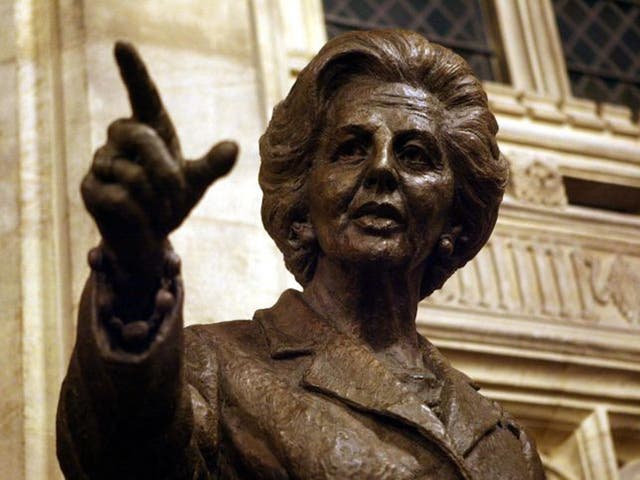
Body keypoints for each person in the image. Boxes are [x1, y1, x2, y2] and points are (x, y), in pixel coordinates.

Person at [57, 30, 546, 479]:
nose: (381, 169)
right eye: (351, 148)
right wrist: (134, 265)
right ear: (301, 202)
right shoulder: (212, 368)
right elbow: (118, 459)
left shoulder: (507, 444)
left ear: (455, 222)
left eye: (415, 154)